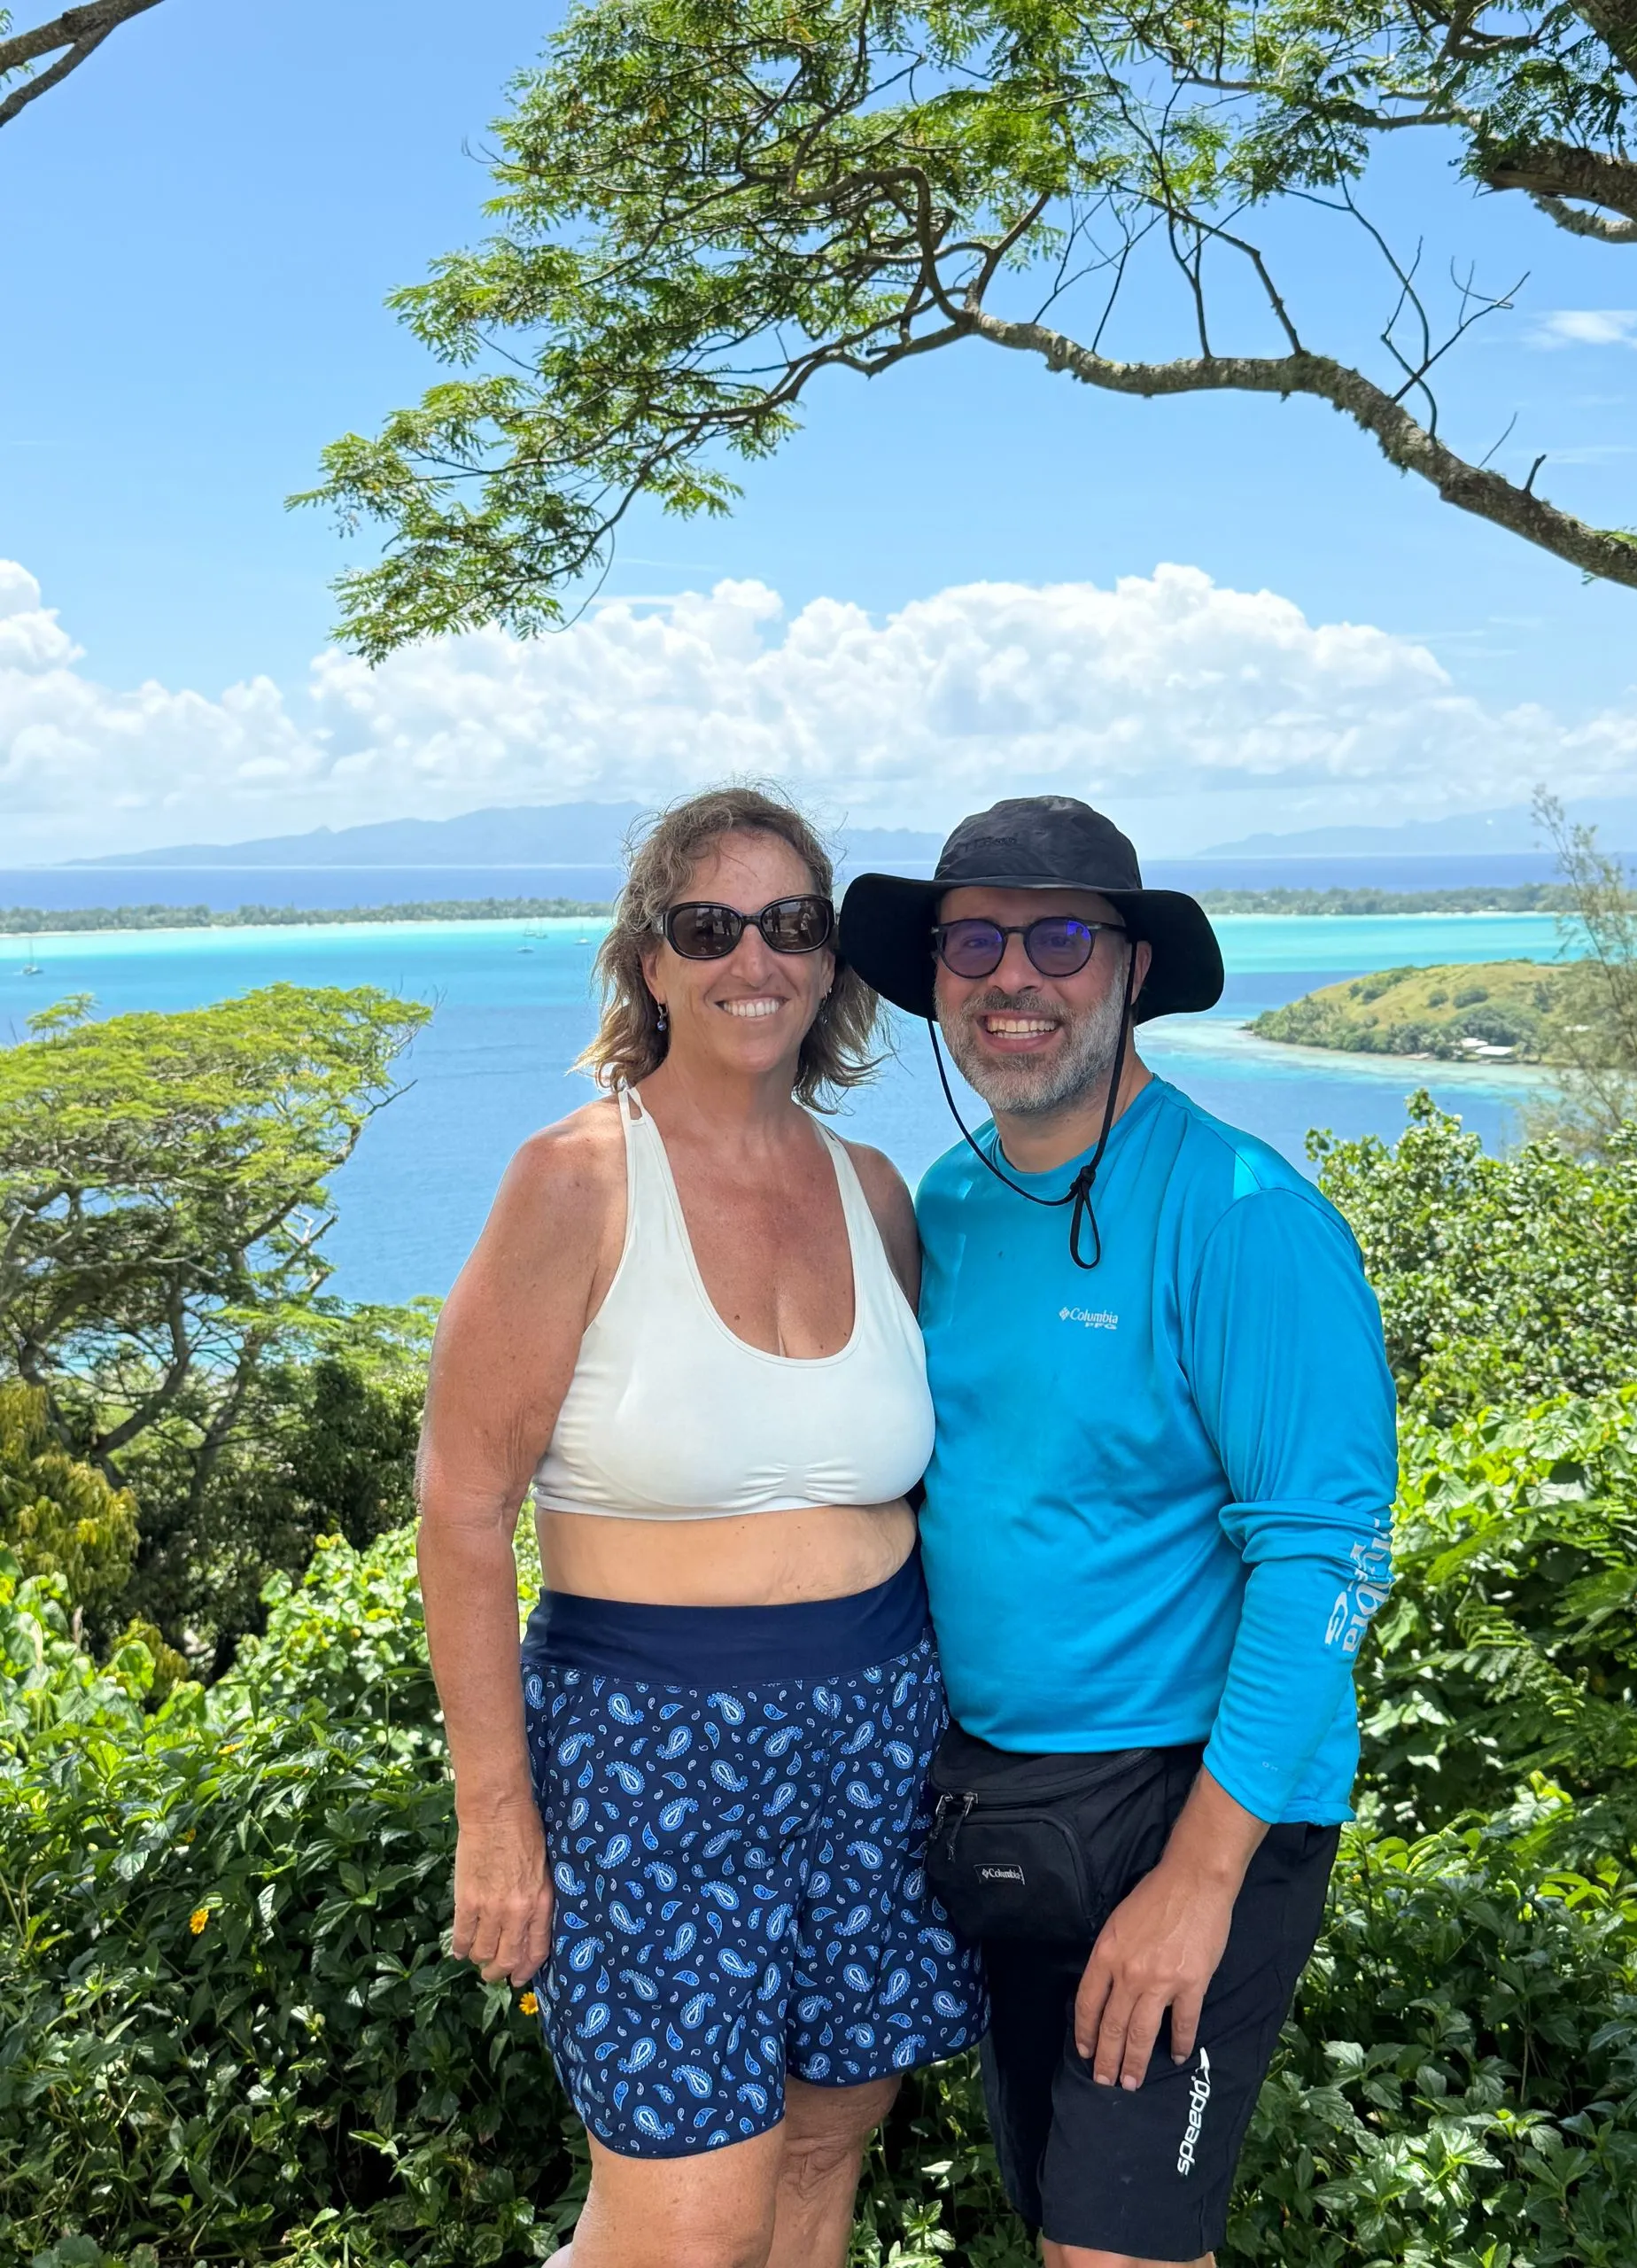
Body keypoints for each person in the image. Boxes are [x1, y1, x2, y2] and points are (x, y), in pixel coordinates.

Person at [415, 786, 984, 2268]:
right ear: (650, 963)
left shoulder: (874, 1193)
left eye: (794, 923)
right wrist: (497, 1815)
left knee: (819, 2163)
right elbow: (463, 1505)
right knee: (686, 2229)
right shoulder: (576, 1181)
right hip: (648, 1752)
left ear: (833, 961)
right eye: (710, 924)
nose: (758, 957)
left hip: (877, 1742)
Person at [838, 795, 1398, 2268]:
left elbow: (1325, 1560)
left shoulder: (1245, 1217)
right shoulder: (953, 1203)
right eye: (974, 941)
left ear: (1134, 968)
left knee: (1119, 2253)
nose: (1012, 976)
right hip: (1003, 1808)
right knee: (1061, 2224)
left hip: (1192, 1803)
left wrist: (1200, 1885)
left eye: (1061, 936)